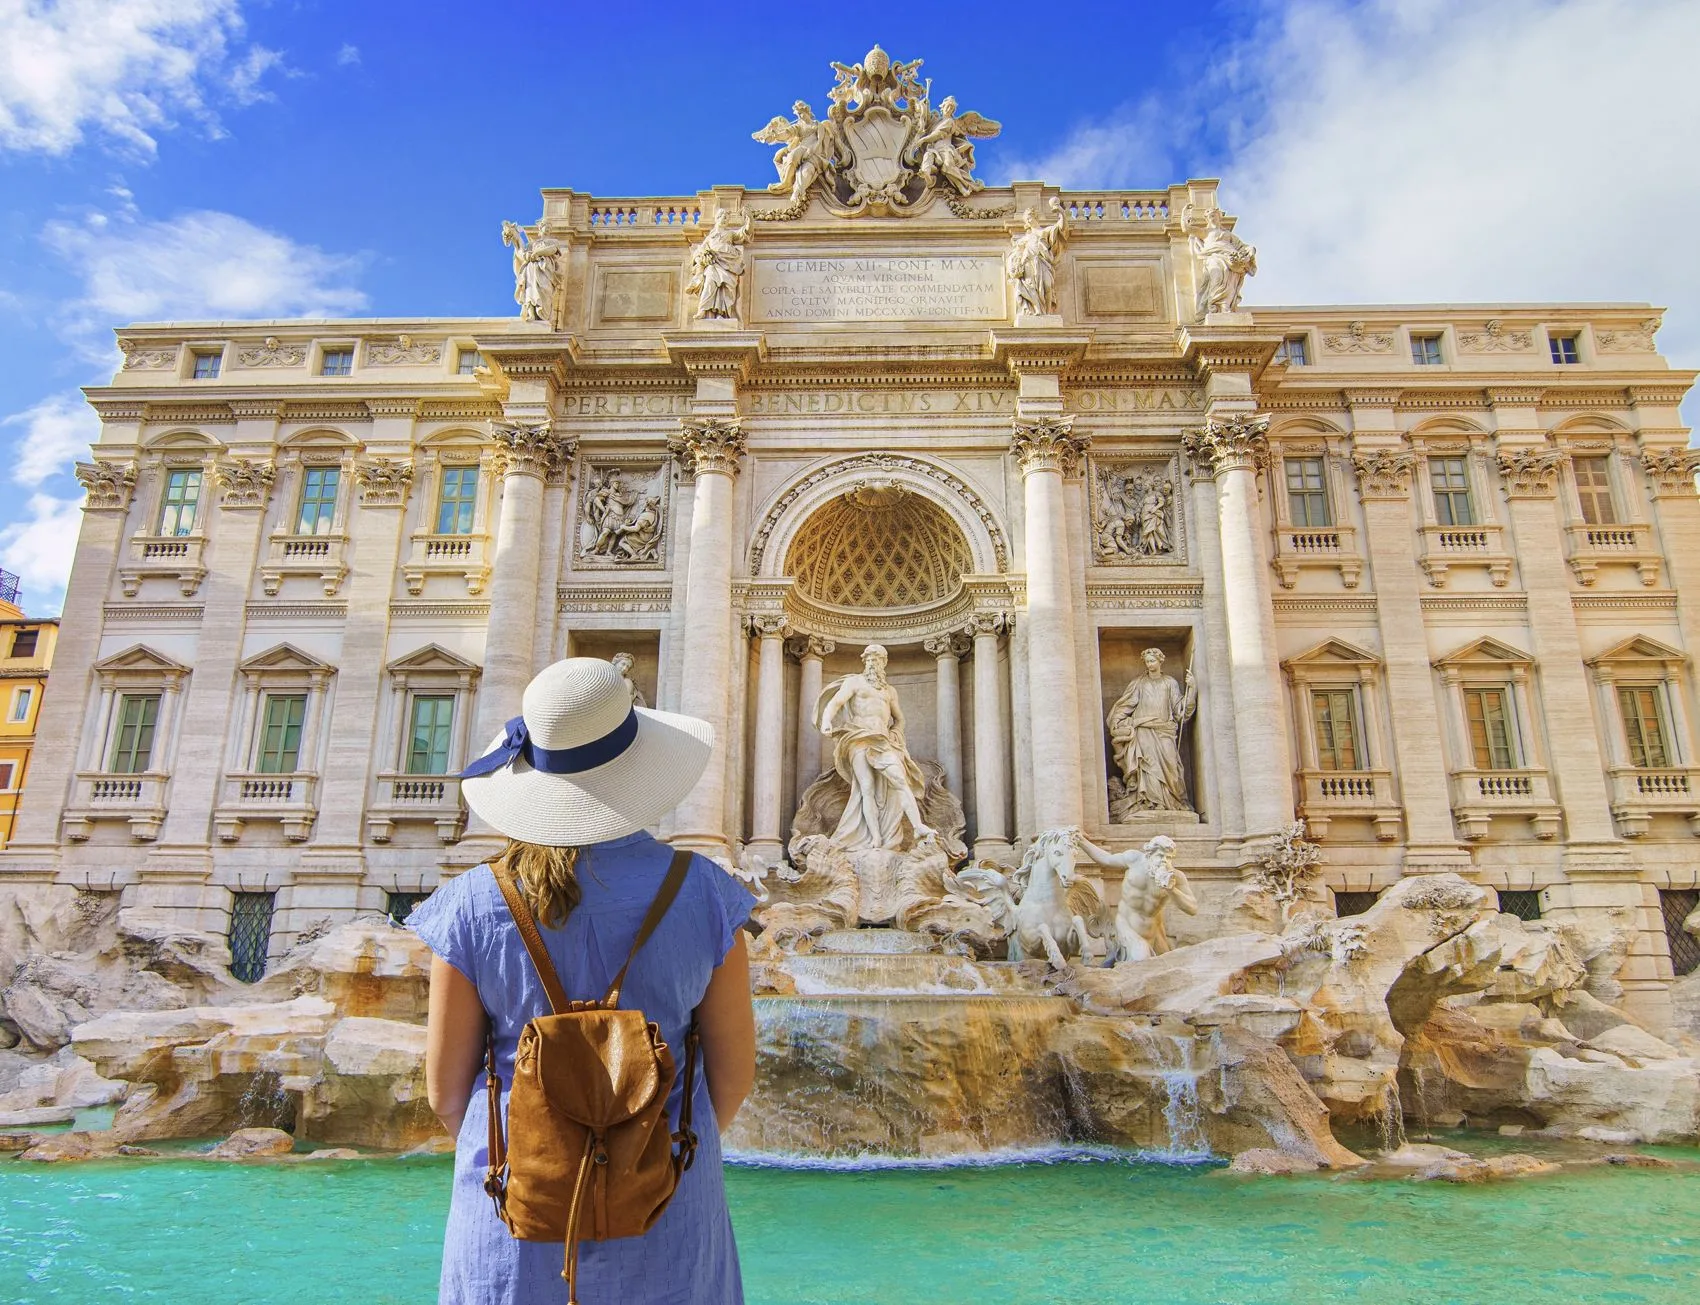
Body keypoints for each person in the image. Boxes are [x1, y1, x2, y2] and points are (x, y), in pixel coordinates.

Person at [411, 657, 756, 1304]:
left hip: (516, 1222)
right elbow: (732, 1080)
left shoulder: (469, 905)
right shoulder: (709, 896)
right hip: (670, 1217)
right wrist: (640, 1150)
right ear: (638, 769)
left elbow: (446, 1093)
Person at [814, 644, 933, 850]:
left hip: (882, 741)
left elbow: (900, 719)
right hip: (858, 738)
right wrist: (826, 721)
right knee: (866, 788)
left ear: (884, 663)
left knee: (900, 780)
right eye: (868, 659)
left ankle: (918, 826)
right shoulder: (855, 682)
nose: (872, 662)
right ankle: (875, 838)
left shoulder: (889, 691)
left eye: (876, 659)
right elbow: (835, 703)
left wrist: (896, 734)